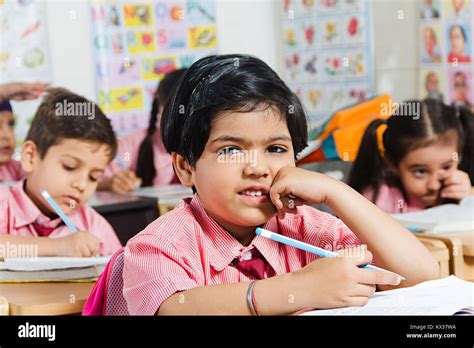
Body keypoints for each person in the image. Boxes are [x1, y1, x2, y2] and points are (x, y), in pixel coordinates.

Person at [122, 54, 438, 315]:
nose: (258, 168)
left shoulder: (309, 227)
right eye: (231, 149)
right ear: (184, 167)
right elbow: (175, 309)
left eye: (275, 149)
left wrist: (336, 192)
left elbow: (420, 276)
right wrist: (298, 289)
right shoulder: (158, 246)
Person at [0, 88, 122, 257]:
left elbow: (120, 277)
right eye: (69, 167)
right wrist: (55, 247)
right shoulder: (3, 204)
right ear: (30, 157)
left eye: (94, 177)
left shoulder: (95, 226)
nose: (81, 185)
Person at [348, 99, 473, 214]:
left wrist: (468, 201)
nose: (434, 185)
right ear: (392, 163)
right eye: (420, 171)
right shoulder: (376, 201)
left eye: (446, 167)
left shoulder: (464, 191)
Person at [98, 69, 186, 193]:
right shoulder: (131, 144)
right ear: (158, 102)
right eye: (173, 109)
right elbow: (91, 178)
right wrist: (110, 183)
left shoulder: (210, 145)